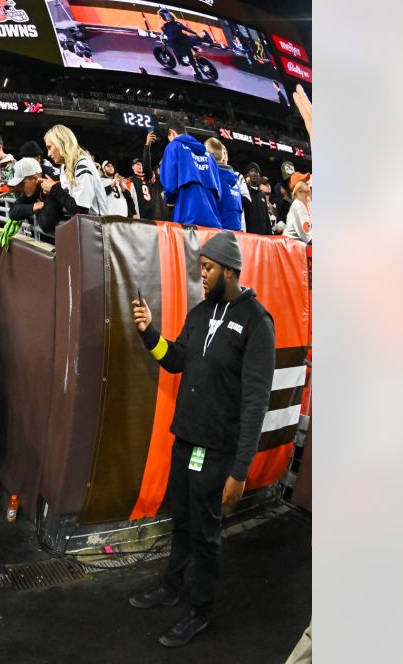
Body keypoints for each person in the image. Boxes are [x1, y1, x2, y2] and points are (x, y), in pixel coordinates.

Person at [129, 231, 275, 647]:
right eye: (200, 269)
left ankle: (201, 610)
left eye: (208, 269)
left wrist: (240, 470)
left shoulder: (257, 323)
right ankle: (171, 587)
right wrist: (148, 332)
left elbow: (255, 403)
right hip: (186, 442)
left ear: (229, 269)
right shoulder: (200, 313)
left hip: (218, 452)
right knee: (182, 523)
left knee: (205, 534)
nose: (202, 276)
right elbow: (175, 360)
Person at [159, 121, 222, 228]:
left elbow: (170, 185)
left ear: (171, 133)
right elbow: (219, 193)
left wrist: (167, 197)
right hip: (213, 221)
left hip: (187, 218)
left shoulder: (173, 146)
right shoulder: (209, 156)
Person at [6, 157, 78, 234]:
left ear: (35, 178)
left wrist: (40, 207)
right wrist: (36, 205)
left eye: (22, 183)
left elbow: (46, 225)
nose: (20, 188)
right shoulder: (32, 187)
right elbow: (13, 212)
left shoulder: (53, 182)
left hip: (74, 238)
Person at [43, 124, 98, 214]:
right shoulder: (64, 167)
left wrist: (53, 188)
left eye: (49, 147)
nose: (48, 154)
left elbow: (81, 209)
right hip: (84, 225)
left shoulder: (82, 165)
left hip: (97, 225)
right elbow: (68, 201)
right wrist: (51, 191)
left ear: (60, 143)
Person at [242, 163, 274, 235]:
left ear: (259, 175)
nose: (254, 173)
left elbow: (266, 217)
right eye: (251, 171)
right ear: (248, 174)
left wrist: (269, 234)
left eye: (256, 171)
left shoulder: (262, 195)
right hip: (249, 235)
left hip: (262, 236)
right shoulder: (245, 193)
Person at [284, 176, 312, 244]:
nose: (307, 183)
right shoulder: (298, 204)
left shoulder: (308, 202)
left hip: (299, 244)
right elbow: (308, 237)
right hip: (290, 246)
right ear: (299, 189)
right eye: (304, 182)